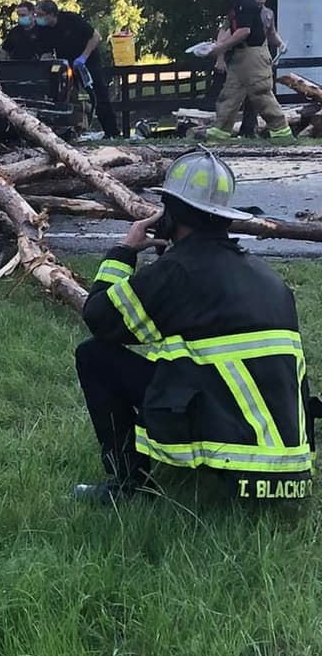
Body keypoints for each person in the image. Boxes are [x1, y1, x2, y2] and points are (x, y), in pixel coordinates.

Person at [73, 149, 316, 504]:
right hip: (290, 465)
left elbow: (99, 318)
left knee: (94, 356)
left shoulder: (176, 272)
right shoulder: (267, 276)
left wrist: (124, 252)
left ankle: (129, 486)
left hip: (234, 457)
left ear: (170, 214)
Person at [205, 0, 293, 142]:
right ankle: (219, 132)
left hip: (253, 56)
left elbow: (244, 31)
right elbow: (229, 31)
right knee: (230, 94)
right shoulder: (239, 2)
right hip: (240, 56)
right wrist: (219, 47)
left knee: (261, 93)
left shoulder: (245, 3)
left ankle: (281, 132)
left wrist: (220, 48)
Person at [34, 0, 120, 138]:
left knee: (98, 94)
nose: (38, 18)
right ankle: (68, 130)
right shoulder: (43, 30)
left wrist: (83, 57)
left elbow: (96, 37)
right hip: (67, 64)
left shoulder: (71, 20)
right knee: (66, 95)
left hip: (87, 60)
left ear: (51, 14)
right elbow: (46, 50)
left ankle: (112, 131)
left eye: (41, 15)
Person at [236, 0, 284, 137]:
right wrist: (221, 57)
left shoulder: (268, 13)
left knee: (261, 91)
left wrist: (280, 44)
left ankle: (254, 128)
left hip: (261, 57)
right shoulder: (241, 9)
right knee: (240, 93)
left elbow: (272, 33)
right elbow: (227, 32)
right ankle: (242, 127)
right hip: (243, 54)